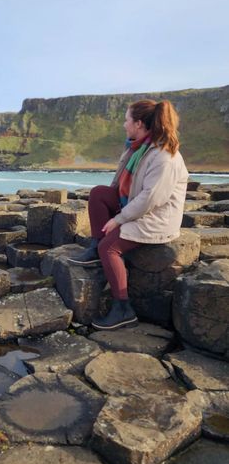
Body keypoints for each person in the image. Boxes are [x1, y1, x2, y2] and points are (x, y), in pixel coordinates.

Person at [69, 99, 188, 331]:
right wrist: (114, 213)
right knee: (99, 194)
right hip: (137, 205)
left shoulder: (164, 156)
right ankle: (95, 247)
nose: (124, 125)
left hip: (157, 218)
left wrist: (118, 219)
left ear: (139, 123)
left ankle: (123, 308)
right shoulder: (138, 147)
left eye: (127, 120)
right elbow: (120, 186)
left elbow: (150, 199)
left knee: (109, 248)